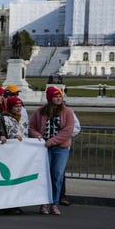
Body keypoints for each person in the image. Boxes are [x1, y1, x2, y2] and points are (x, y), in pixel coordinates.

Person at [28, 85, 76, 215]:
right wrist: (38, 135)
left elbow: (67, 131)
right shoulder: (40, 112)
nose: (59, 98)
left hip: (60, 149)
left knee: (57, 175)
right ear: (50, 98)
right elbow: (31, 127)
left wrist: (51, 141)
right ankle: (44, 203)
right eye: (56, 96)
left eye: (60, 96)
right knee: (45, 176)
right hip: (43, 149)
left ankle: (54, 203)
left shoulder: (67, 112)